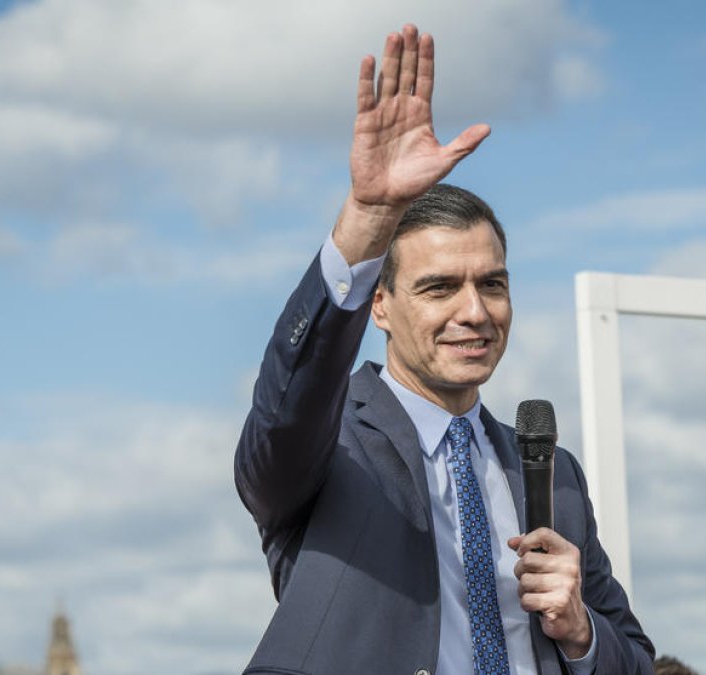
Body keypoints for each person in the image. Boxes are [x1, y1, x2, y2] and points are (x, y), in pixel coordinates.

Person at [235, 23, 654, 674]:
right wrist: (368, 218)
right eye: (439, 287)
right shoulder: (327, 439)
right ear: (381, 302)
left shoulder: (551, 472)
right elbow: (287, 404)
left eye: (492, 283)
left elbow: (634, 660)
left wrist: (581, 632)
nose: (475, 310)